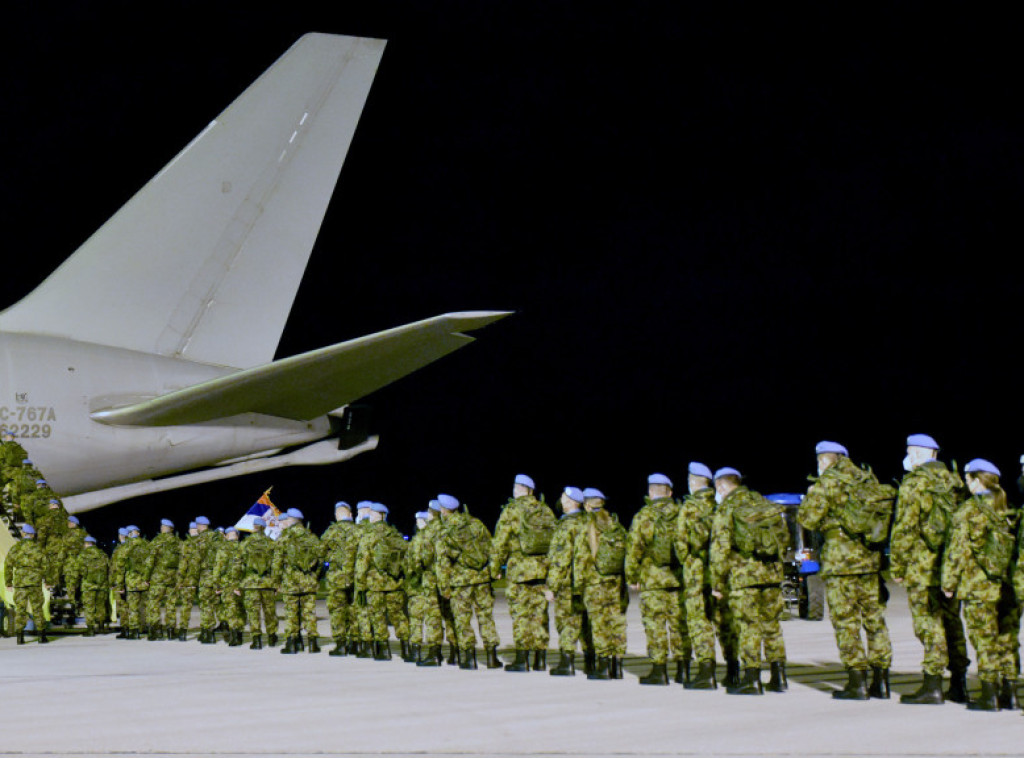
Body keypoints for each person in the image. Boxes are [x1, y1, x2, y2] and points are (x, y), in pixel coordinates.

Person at [799, 441, 893, 700]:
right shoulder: (867, 479)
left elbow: (807, 518)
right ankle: (881, 681)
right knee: (875, 620)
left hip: (841, 564)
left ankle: (857, 681)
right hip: (869, 561)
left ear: (824, 460)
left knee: (846, 623)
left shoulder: (827, 482)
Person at [891, 434, 972, 704]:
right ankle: (959, 683)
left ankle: (932, 684)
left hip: (922, 565)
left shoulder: (915, 482)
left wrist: (898, 564)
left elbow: (905, 527)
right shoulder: (955, 480)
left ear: (917, 453)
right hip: (950, 564)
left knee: (928, 624)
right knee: (951, 622)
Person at [941, 459, 1019, 711]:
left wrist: (949, 582)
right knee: (1006, 639)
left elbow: (957, 550)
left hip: (979, 586)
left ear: (976, 480)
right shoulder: (1008, 508)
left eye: (967, 480)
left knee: (983, 638)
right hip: (1008, 585)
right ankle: (1010, 691)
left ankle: (989, 694)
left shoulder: (968, 511)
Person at [710, 467, 789, 695]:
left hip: (743, 577)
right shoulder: (762, 502)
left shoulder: (727, 508)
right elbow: (783, 538)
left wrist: (718, 583)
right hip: (771, 574)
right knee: (772, 626)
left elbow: (720, 548)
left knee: (748, 626)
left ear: (722, 486)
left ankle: (752, 678)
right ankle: (779, 676)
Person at [625, 473, 688, 685]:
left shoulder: (644, 516)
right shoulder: (682, 513)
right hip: (679, 580)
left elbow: (634, 549)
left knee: (655, 626)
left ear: (651, 492)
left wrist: (632, 575)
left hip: (652, 581)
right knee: (680, 625)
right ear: (670, 492)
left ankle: (659, 671)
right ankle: (684, 670)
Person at [491, 473, 556, 672]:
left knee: (521, 614)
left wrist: (495, 568)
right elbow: (555, 541)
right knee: (540, 614)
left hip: (519, 570)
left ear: (519, 489)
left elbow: (500, 541)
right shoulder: (545, 510)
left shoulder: (512, 510)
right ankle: (540, 659)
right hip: (542, 569)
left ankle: (522, 659)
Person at [434, 493, 500, 669]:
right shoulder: (475, 523)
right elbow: (491, 547)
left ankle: (469, 658)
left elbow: (442, 562)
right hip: (482, 579)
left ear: (443, 510)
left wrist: (444, 587)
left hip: (460, 582)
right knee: (486, 617)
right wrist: (493, 572)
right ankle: (492, 657)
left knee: (463, 620)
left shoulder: (444, 530)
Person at [573, 488, 628, 679]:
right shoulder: (617, 525)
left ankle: (603, 666)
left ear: (588, 505)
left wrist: (577, 587)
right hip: (616, 582)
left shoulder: (588, 526)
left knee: (599, 624)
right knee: (616, 623)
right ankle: (617, 666)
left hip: (595, 583)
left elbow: (580, 559)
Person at [674, 462, 719, 689]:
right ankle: (734, 670)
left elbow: (681, 544)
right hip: (720, 571)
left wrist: (689, 562)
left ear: (693, 481)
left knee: (699, 622)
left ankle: (706, 672)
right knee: (724, 622)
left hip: (696, 572)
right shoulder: (720, 503)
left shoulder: (689, 507)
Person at [354, 502, 410, 660]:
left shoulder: (369, 536)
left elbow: (362, 563)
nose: (369, 517)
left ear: (378, 516)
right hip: (395, 583)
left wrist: (360, 585)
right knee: (399, 616)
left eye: (371, 515)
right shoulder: (395, 534)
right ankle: (407, 649)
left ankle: (384, 651)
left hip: (375, 584)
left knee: (378, 616)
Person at [546, 486, 592, 675]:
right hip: (589, 583)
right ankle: (592, 660)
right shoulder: (589, 522)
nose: (561, 501)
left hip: (568, 583)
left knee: (567, 622)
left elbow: (560, 559)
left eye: (564, 498)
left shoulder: (566, 526)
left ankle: (567, 662)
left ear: (571, 502)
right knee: (587, 622)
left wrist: (552, 586)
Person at [273, 507, 324, 654]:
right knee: (309, 612)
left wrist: (276, 582)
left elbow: (277, 563)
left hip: (291, 582)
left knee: (291, 612)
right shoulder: (312, 538)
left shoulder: (284, 538)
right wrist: (315, 576)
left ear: (290, 520)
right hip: (309, 582)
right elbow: (321, 559)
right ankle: (313, 643)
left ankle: (293, 643)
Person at [407, 508, 445, 665]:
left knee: (421, 618)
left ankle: (422, 652)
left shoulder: (421, 539)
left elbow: (414, 564)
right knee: (439, 618)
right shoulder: (443, 533)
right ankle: (442, 652)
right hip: (441, 582)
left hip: (422, 583)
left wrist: (419, 574)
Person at [321, 501, 360, 656]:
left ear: (337, 515)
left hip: (336, 578)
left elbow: (320, 552)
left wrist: (332, 556)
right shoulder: (358, 531)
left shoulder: (331, 531)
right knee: (353, 610)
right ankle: (354, 643)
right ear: (350, 514)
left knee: (337, 610)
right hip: (355, 576)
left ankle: (341, 644)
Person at [4, 524, 50, 644]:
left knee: (20, 609)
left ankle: (20, 637)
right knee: (37, 609)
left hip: (20, 583)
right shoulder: (38, 549)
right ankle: (41, 636)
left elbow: (8, 565)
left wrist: (8, 582)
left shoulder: (15, 548)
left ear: (23, 534)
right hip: (35, 583)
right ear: (33, 535)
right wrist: (48, 581)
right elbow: (46, 566)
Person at [239, 516, 278, 649]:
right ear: (264, 527)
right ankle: (272, 636)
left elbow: (238, 565)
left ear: (254, 527)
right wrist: (277, 583)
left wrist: (237, 583)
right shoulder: (271, 543)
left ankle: (256, 639)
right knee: (269, 611)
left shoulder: (245, 543)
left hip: (251, 583)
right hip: (267, 583)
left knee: (253, 612)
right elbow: (276, 566)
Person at [144, 519, 183, 640]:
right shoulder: (178, 542)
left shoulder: (156, 541)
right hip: (173, 578)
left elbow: (150, 561)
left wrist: (146, 577)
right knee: (171, 604)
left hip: (158, 578)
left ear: (163, 528)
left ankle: (154, 631)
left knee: (153, 603)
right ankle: (171, 631)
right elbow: (183, 561)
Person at [66, 535, 110, 635]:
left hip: (88, 586)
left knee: (89, 607)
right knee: (101, 606)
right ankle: (101, 627)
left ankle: (90, 629)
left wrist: (73, 584)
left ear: (86, 544)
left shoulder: (83, 555)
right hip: (102, 586)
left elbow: (77, 571)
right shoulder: (103, 555)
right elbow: (109, 569)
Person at [189, 516, 224, 643]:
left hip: (204, 576)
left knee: (205, 605)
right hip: (217, 576)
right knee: (214, 604)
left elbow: (195, 562)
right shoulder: (218, 538)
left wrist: (192, 580)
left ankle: (208, 634)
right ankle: (206, 632)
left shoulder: (199, 540)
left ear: (199, 526)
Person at [118, 525, 152, 639]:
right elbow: (152, 563)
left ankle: (134, 631)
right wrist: (148, 579)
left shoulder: (126, 546)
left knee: (133, 607)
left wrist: (120, 585)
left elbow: (120, 567)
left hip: (132, 581)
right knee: (146, 606)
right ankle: (148, 628)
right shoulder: (147, 545)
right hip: (145, 582)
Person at [214, 527, 246, 646]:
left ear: (227, 536)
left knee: (231, 610)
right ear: (237, 536)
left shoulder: (222, 550)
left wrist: (217, 585)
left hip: (227, 585)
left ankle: (234, 636)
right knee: (241, 610)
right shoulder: (244, 548)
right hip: (242, 584)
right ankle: (240, 634)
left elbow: (217, 569)